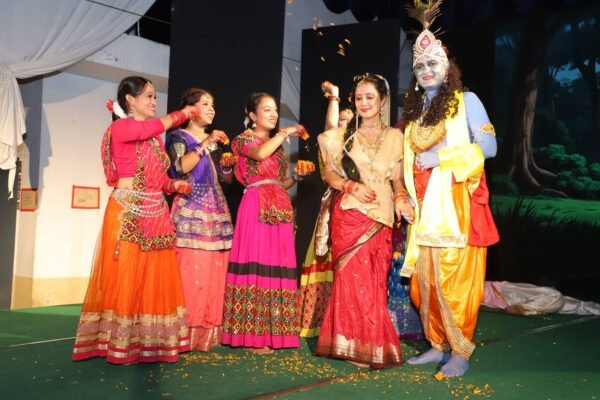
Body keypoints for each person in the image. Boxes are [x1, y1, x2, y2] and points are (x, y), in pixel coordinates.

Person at [400, 3, 500, 378]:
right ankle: (437, 343)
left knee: (454, 280)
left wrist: (442, 158)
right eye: (420, 66)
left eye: (433, 63)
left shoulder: (466, 101)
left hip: (457, 206)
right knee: (424, 282)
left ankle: (460, 350)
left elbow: (489, 147)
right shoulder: (414, 115)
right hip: (424, 209)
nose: (427, 70)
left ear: (447, 67)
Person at [72, 75, 196, 364]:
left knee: (153, 278)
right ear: (130, 100)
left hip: (156, 212)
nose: (154, 101)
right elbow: (151, 126)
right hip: (129, 211)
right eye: (148, 96)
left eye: (155, 96)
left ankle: (150, 343)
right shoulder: (122, 127)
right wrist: (183, 114)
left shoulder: (153, 139)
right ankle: (121, 345)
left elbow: (159, 179)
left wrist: (173, 185)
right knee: (128, 278)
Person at [314, 73, 404, 369]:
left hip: (381, 216)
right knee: (352, 281)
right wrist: (351, 186)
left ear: (383, 101)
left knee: (375, 282)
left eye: (370, 97)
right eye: (359, 98)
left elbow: (397, 179)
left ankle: (370, 343)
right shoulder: (343, 137)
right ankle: (350, 343)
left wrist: (401, 198)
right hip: (350, 213)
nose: (364, 103)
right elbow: (330, 173)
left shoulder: (396, 138)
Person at [222, 92, 312, 353]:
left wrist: (295, 177)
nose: (273, 114)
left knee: (277, 265)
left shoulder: (278, 147)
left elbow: (279, 183)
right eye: (267, 110)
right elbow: (260, 154)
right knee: (257, 264)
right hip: (256, 206)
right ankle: (252, 336)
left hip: (279, 207)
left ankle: (276, 334)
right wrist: (285, 133)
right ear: (252, 115)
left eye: (275, 110)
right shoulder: (244, 140)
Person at [165, 88, 235, 352]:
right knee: (190, 269)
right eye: (205, 104)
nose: (211, 109)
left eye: (212, 104)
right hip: (191, 207)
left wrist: (227, 166)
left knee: (214, 272)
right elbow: (178, 168)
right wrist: (206, 143)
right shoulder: (178, 136)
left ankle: (210, 330)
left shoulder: (215, 140)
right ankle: (183, 332)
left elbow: (227, 180)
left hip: (216, 208)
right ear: (190, 110)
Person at [298, 81, 353, 338]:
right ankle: (319, 323)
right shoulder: (331, 145)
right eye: (341, 120)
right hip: (334, 206)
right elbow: (331, 130)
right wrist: (335, 97)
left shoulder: (362, 145)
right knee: (325, 257)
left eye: (349, 122)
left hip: (359, 210)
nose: (344, 125)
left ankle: (345, 324)